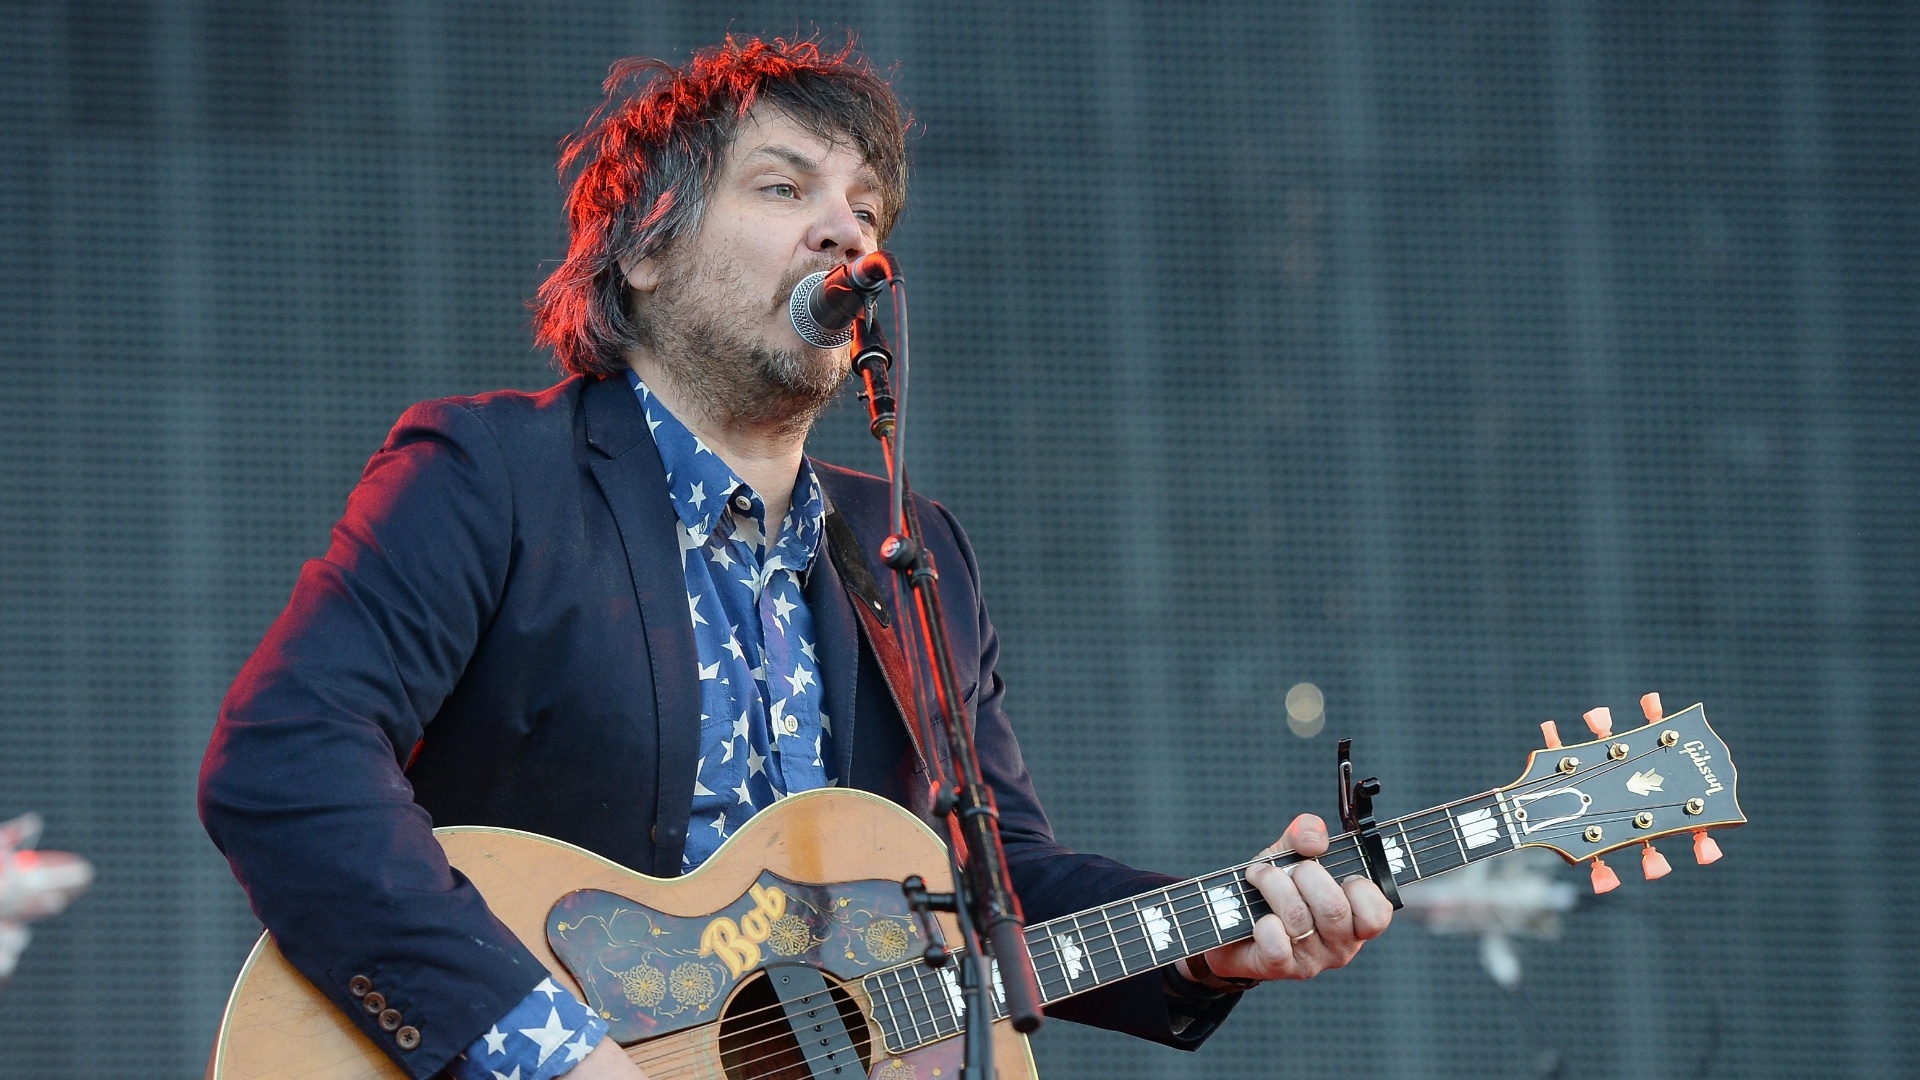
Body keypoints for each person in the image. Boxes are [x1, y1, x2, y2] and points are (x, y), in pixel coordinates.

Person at [198, 36, 1391, 1080]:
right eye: (784, 187)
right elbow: (285, 762)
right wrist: (550, 1051)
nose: (846, 230)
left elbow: (992, 882)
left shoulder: (910, 553)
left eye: (867, 208)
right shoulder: (489, 474)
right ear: (647, 250)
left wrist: (1208, 940)